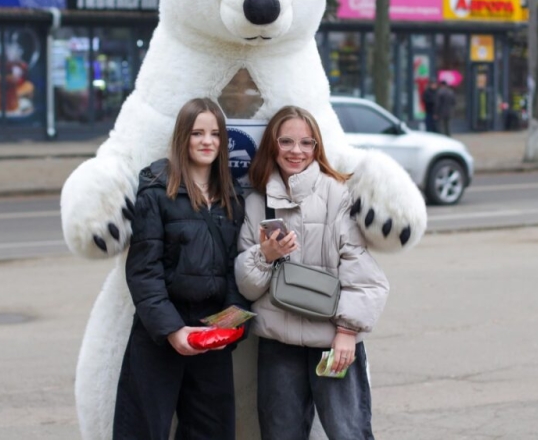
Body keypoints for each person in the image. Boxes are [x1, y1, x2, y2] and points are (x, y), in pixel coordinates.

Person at [235, 105, 389, 440]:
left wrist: (348, 332)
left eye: (307, 143)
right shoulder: (256, 203)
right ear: (272, 145)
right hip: (278, 343)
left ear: (317, 147)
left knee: (349, 433)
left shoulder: (339, 194)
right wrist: (265, 255)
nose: (296, 151)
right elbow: (246, 288)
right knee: (280, 434)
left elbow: (364, 276)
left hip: (333, 341)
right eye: (286, 141)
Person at [113, 98, 246, 440]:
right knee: (143, 428)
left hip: (210, 330)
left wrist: (228, 327)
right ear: (182, 137)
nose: (207, 141)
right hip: (160, 332)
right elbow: (144, 271)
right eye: (198, 133)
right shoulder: (157, 189)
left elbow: (235, 269)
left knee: (212, 430)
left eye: (215, 133)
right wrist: (173, 330)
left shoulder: (231, 196)